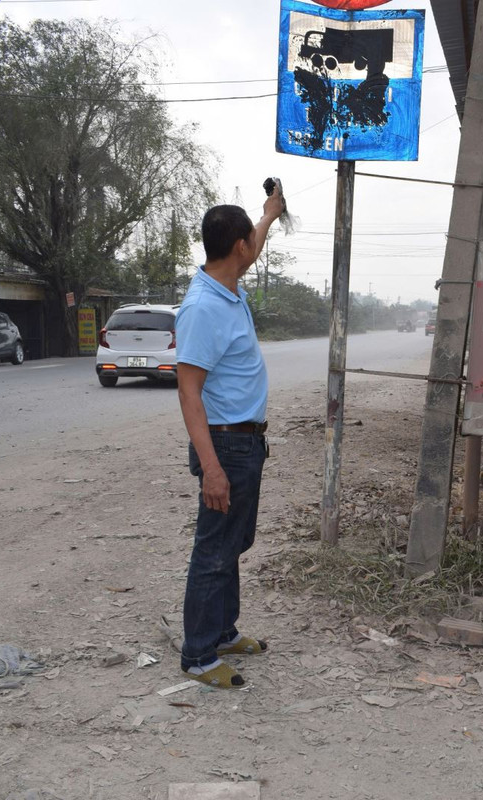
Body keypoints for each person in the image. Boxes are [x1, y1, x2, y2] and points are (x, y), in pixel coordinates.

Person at [175, 194, 283, 688]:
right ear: (238, 247)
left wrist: (269, 213)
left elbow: (254, 241)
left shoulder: (227, 287)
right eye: (250, 241)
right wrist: (212, 469)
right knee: (214, 550)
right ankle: (198, 655)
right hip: (225, 446)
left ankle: (222, 632)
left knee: (234, 543)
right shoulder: (203, 308)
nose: (254, 247)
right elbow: (189, 392)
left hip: (246, 442)